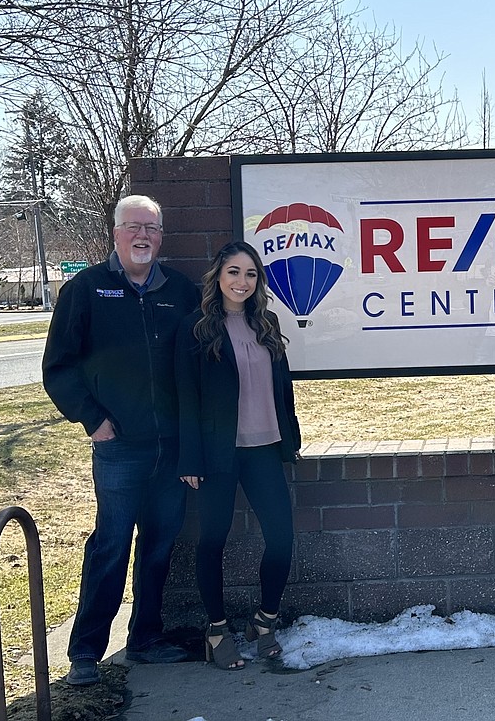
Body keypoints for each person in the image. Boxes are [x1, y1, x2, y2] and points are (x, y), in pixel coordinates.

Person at [42, 195, 200, 687]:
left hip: (171, 447)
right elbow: (59, 367)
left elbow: (198, 366)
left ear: (160, 236)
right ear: (115, 233)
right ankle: (86, 652)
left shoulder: (180, 291)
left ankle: (145, 639)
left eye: (152, 228)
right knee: (110, 545)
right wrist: (93, 420)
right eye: (134, 227)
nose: (143, 236)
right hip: (119, 447)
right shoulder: (86, 290)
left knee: (158, 547)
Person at [174, 240, 301, 670]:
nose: (241, 282)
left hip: (263, 449)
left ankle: (264, 622)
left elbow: (283, 388)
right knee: (213, 540)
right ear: (218, 276)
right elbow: (185, 399)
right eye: (233, 272)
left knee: (281, 538)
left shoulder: (267, 323)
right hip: (216, 454)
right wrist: (189, 457)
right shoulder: (196, 328)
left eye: (250, 274)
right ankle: (216, 629)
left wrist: (291, 437)